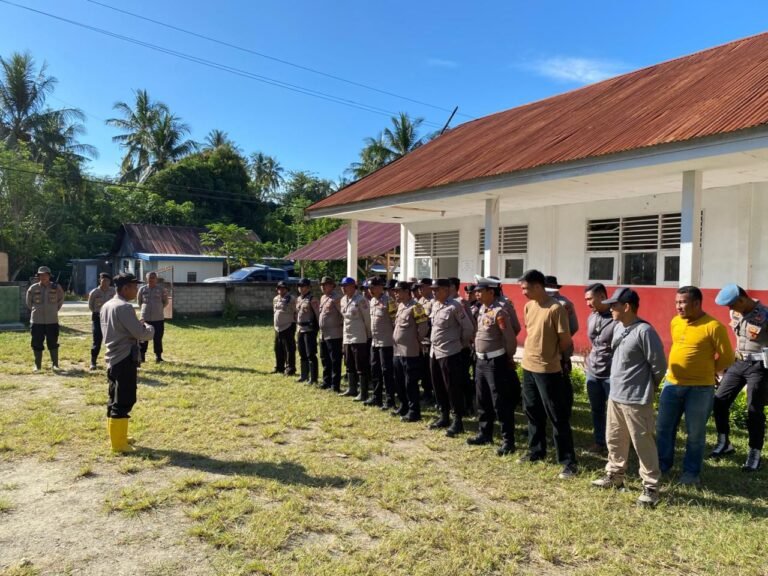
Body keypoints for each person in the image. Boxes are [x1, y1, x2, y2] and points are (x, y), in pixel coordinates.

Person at [591, 288, 667, 507]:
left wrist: (647, 387)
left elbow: (659, 366)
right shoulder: (618, 327)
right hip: (616, 395)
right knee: (614, 438)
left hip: (636, 398)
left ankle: (651, 486)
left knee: (643, 442)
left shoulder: (644, 331)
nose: (610, 308)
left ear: (627, 307)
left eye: (614, 305)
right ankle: (615, 475)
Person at [656, 286, 735, 485]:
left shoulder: (713, 326)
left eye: (682, 302)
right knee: (664, 428)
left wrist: (709, 371)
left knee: (696, 434)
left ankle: (691, 474)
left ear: (697, 303)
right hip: (672, 385)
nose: (678, 307)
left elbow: (727, 357)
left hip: (700, 390)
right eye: (676, 302)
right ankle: (662, 466)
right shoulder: (676, 322)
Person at [518, 269, 578, 479]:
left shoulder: (555, 308)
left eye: (525, 288)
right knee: (532, 410)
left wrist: (556, 357)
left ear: (537, 286)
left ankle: (568, 462)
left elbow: (565, 340)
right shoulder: (528, 306)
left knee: (557, 415)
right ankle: (537, 450)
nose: (523, 292)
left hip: (548, 369)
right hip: (528, 366)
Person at [710, 284, 768, 472]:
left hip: (759, 367)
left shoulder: (765, 315)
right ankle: (724, 442)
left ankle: (754, 453)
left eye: (732, 305)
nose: (730, 310)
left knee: (754, 409)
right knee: (719, 400)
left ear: (742, 300)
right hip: (738, 363)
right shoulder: (736, 313)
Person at [101, 273, 155, 453]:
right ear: (125, 288)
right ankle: (118, 444)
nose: (137, 290)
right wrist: (149, 327)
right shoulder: (124, 307)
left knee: (114, 398)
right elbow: (141, 333)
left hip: (112, 357)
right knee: (124, 399)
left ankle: (118, 436)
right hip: (124, 357)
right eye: (134, 286)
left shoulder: (107, 304)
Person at [467, 278, 520, 454]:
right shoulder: (483, 309)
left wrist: (508, 357)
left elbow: (510, 338)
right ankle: (485, 433)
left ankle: (508, 441)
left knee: (500, 402)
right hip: (481, 361)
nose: (476, 294)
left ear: (491, 292)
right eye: (476, 292)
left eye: (480, 291)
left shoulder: (500, 312)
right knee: (482, 399)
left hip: (495, 362)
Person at [429, 278, 475, 437]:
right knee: (438, 385)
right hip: (434, 351)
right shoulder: (435, 305)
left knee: (452, 387)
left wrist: (460, 345)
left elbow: (468, 329)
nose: (433, 292)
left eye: (437, 289)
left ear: (446, 290)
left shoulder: (455, 306)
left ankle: (458, 420)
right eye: (433, 289)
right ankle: (444, 416)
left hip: (450, 352)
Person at [584, 283, 616, 453]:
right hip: (593, 371)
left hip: (611, 373)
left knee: (614, 412)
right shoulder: (592, 316)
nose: (587, 303)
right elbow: (594, 343)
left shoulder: (616, 316)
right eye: (586, 300)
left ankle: (616, 444)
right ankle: (599, 442)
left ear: (602, 297)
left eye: (590, 299)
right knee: (597, 409)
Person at [392, 281, 430, 421]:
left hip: (410, 351)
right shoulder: (401, 306)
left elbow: (423, 328)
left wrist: (416, 340)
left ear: (407, 292)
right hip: (398, 350)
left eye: (398, 291)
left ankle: (414, 411)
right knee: (399, 381)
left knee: (410, 382)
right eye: (395, 291)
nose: (396, 293)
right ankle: (404, 406)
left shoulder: (416, 307)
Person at [26, 265, 65, 372]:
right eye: (41, 275)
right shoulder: (33, 288)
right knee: (36, 342)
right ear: (38, 276)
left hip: (52, 320)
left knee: (53, 342)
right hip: (37, 321)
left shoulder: (56, 287)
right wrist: (37, 310)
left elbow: (61, 299)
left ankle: (55, 364)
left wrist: (53, 310)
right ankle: (37, 365)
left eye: (45, 275)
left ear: (49, 276)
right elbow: (29, 303)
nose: (43, 277)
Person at [339, 277, 372, 401]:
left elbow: (367, 319)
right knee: (349, 364)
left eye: (346, 286)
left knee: (361, 366)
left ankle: (363, 393)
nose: (343, 288)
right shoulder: (343, 300)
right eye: (342, 286)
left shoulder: (361, 300)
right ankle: (352, 389)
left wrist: (368, 335)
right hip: (347, 337)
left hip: (359, 337)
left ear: (353, 286)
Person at [368, 277, 397, 408]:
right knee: (375, 370)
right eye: (369, 288)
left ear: (380, 287)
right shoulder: (372, 301)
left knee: (387, 371)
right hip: (375, 341)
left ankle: (390, 400)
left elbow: (395, 322)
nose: (370, 290)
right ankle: (376, 397)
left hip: (386, 342)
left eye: (373, 287)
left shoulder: (389, 302)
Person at [545, 275, 579, 381]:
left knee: (561, 382)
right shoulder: (543, 302)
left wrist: (560, 340)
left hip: (560, 351)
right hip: (545, 351)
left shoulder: (564, 304)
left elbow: (573, 327)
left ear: (551, 286)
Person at [318, 276, 343, 392]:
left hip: (334, 334)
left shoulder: (337, 298)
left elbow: (343, 315)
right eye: (322, 285)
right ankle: (326, 381)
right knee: (324, 359)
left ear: (332, 286)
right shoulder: (323, 297)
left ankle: (335, 384)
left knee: (334, 360)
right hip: (323, 334)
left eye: (326, 284)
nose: (323, 287)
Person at [137, 271, 169, 363]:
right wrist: (145, 309)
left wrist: (158, 308)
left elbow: (165, 302)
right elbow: (139, 302)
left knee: (158, 338)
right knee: (143, 338)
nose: (151, 279)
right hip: (145, 318)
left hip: (158, 318)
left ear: (156, 279)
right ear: (146, 279)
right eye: (150, 277)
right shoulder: (142, 289)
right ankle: (142, 356)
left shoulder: (161, 290)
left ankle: (158, 357)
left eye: (153, 277)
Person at [88, 272, 116, 370]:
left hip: (110, 318)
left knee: (112, 340)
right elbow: (91, 306)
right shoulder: (94, 292)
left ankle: (113, 361)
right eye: (103, 280)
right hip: (98, 317)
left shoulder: (114, 292)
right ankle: (93, 361)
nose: (105, 282)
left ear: (110, 282)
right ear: (100, 281)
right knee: (97, 340)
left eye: (107, 281)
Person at [295, 278, 320, 385]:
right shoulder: (299, 299)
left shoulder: (312, 299)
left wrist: (318, 329)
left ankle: (313, 378)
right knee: (302, 353)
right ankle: (304, 375)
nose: (301, 288)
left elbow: (318, 315)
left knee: (311, 354)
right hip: (300, 329)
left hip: (309, 329)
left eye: (303, 286)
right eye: (299, 286)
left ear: (309, 287)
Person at [273, 280, 297, 376]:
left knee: (289, 349)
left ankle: (290, 368)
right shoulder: (275, 299)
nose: (281, 290)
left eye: (283, 288)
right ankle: (279, 367)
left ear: (287, 289)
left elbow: (296, 311)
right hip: (277, 328)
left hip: (288, 326)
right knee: (278, 348)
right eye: (279, 288)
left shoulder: (291, 299)